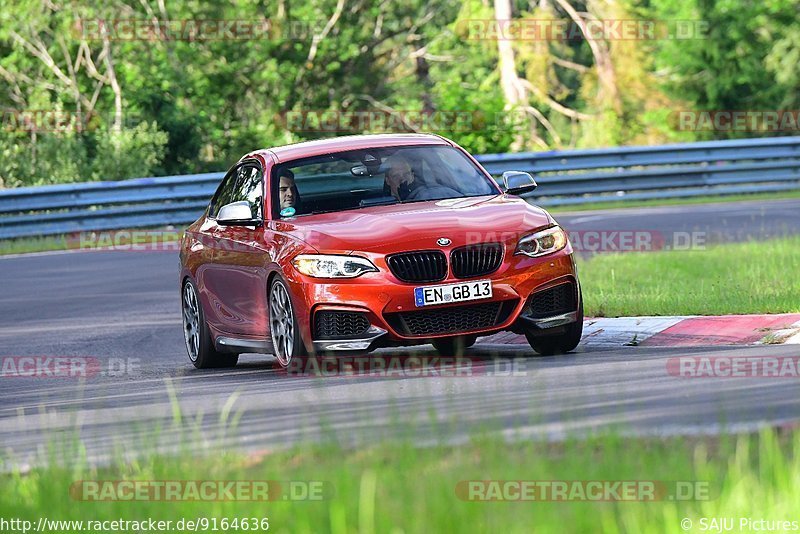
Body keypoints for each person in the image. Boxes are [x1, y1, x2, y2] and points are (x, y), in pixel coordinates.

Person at [383, 154, 461, 201]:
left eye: (406, 174)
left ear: (412, 176)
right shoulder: (382, 205)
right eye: (396, 176)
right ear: (388, 181)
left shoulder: (430, 197)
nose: (402, 179)